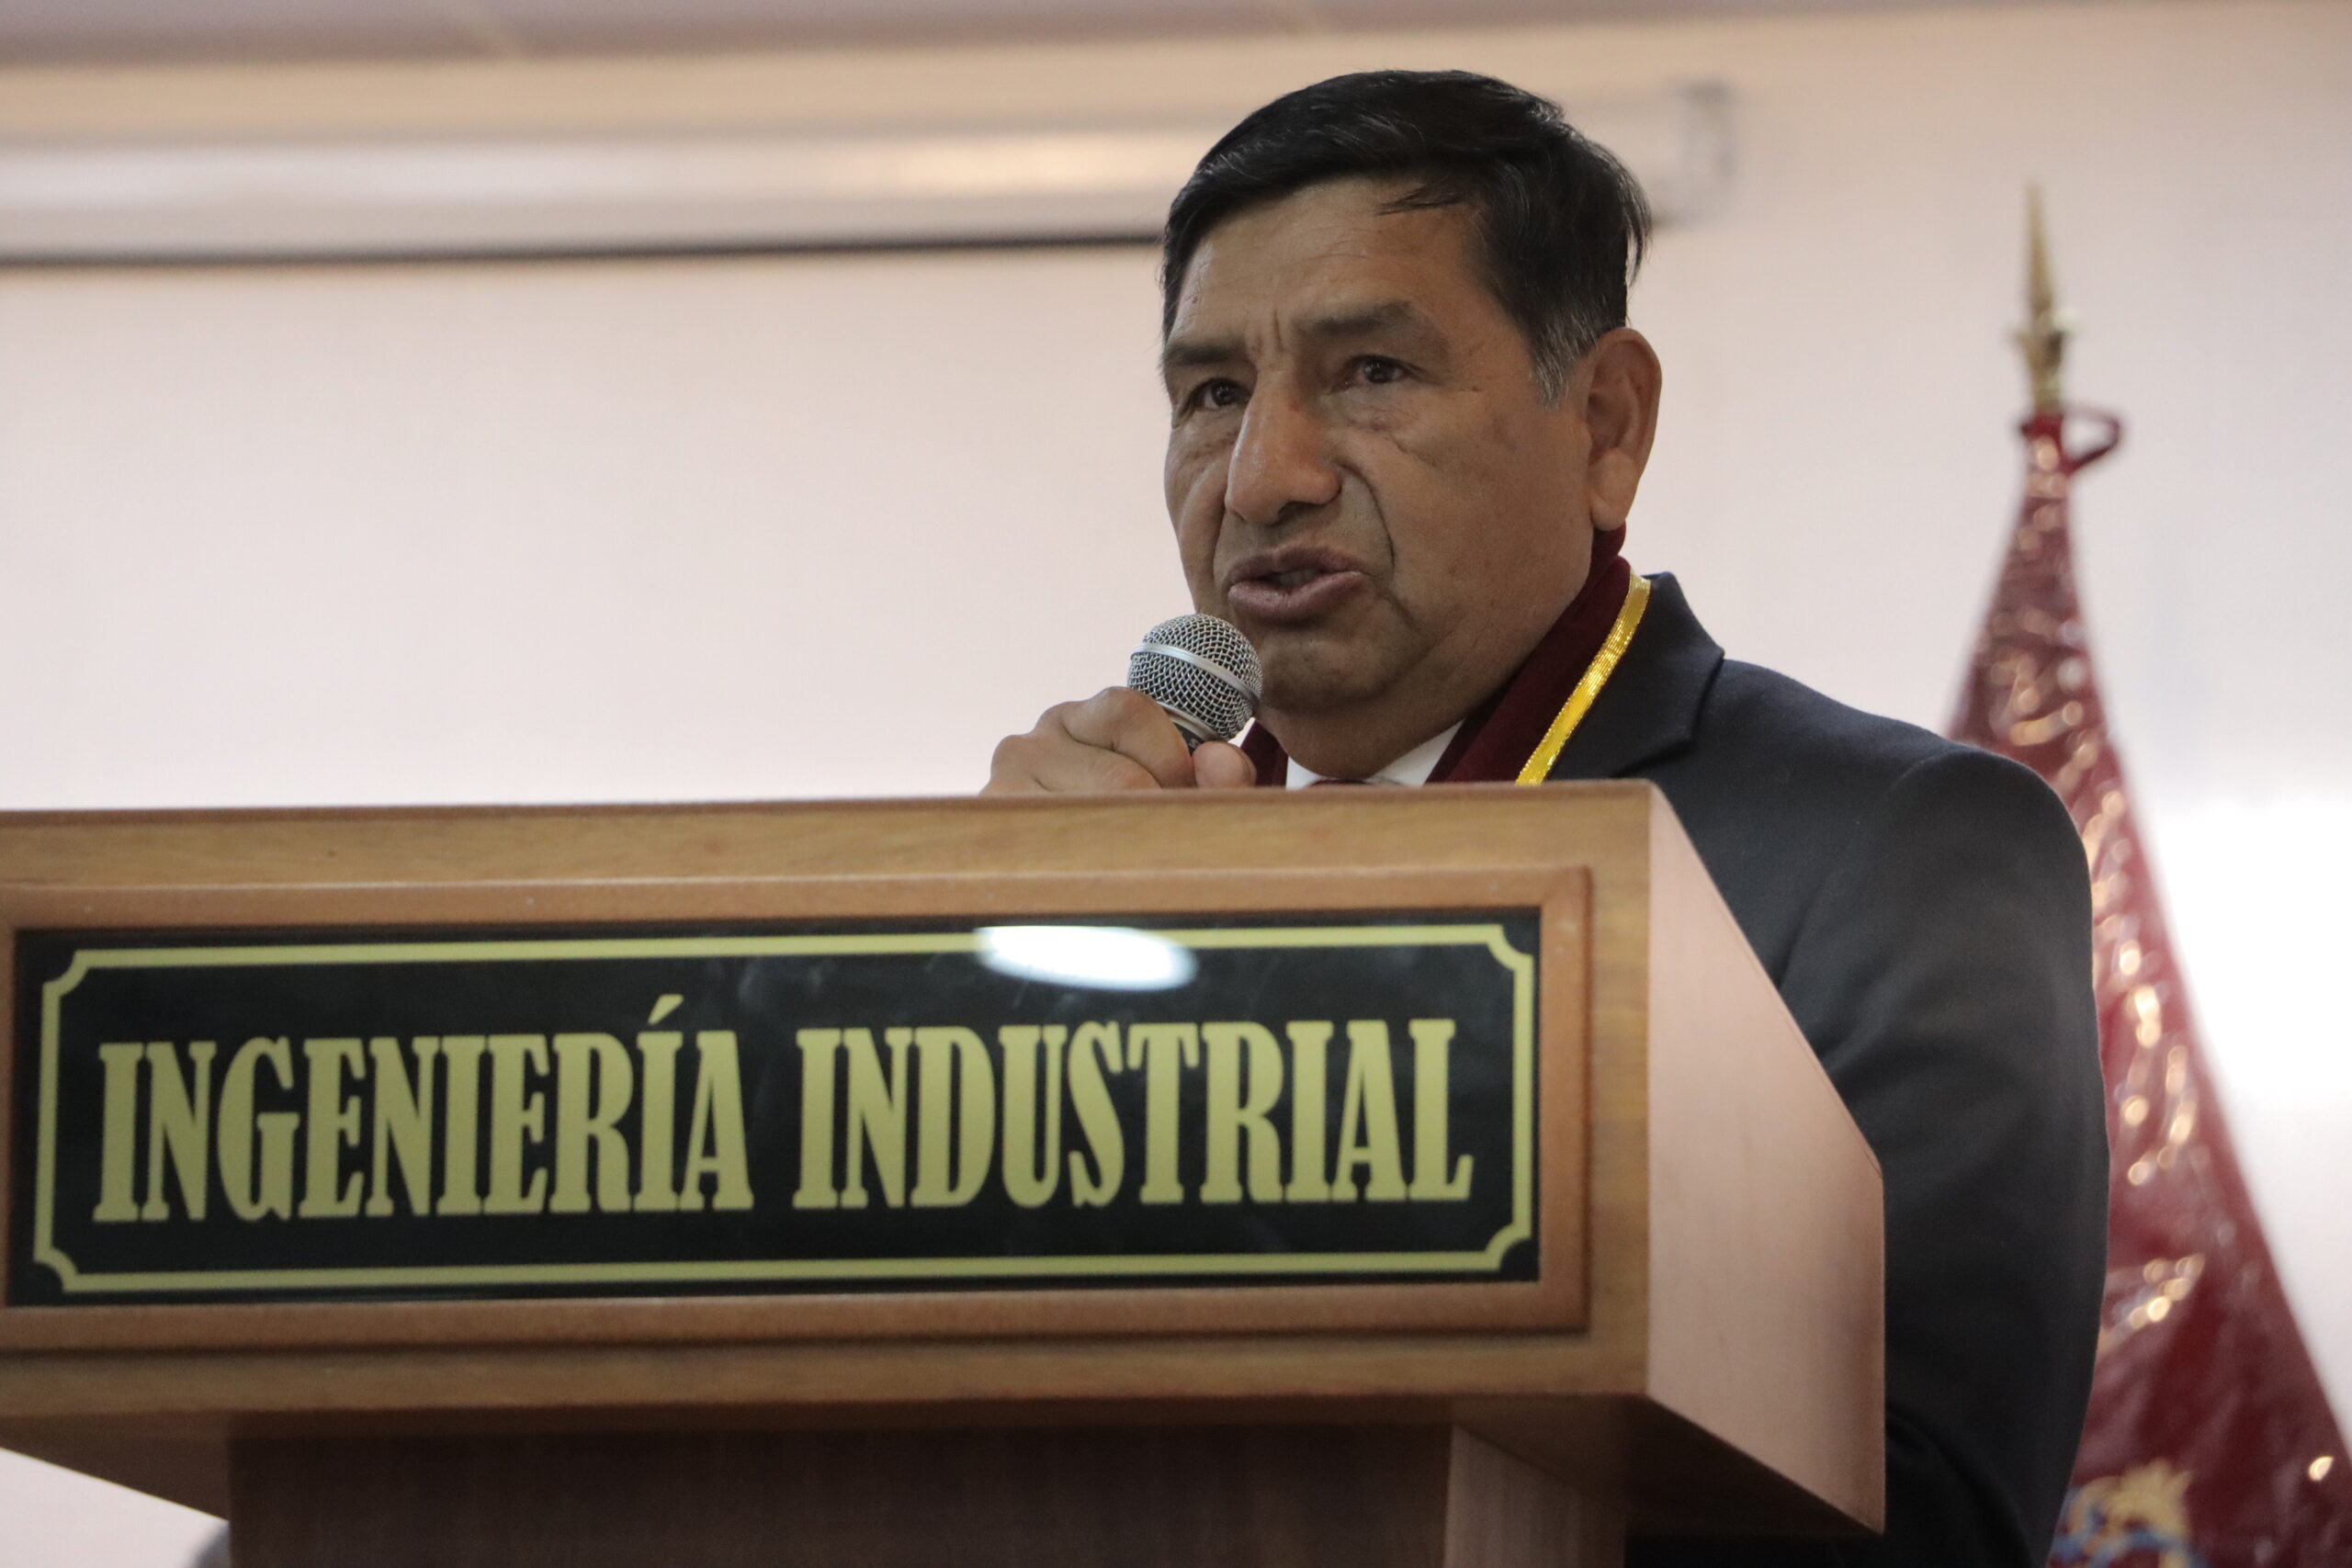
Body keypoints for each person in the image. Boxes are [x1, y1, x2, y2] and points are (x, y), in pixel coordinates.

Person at [986, 69, 2106, 1565]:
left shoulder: (1899, 853)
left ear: (1605, 424)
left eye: (1371, 371)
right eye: (1214, 395)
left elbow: (1925, 1524)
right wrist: (965, 965)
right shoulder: (1110, 875)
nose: (1262, 479)